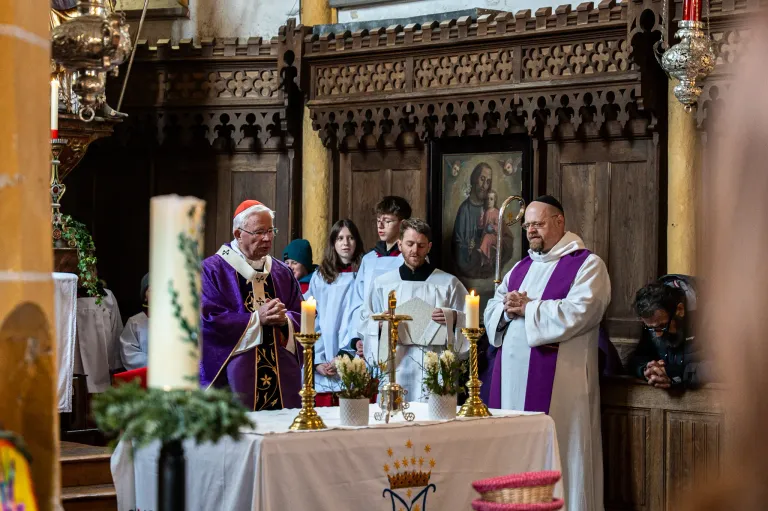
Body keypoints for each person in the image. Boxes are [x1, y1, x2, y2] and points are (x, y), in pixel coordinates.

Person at [483, 195, 611, 511]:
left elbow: (583, 311)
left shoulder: (587, 264)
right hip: (511, 385)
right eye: (527, 225)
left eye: (538, 224)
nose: (531, 231)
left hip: (561, 388)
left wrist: (530, 308)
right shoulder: (520, 268)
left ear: (559, 221)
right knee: (516, 451)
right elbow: (492, 306)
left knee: (561, 450)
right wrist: (506, 310)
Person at [200, 200, 303, 410]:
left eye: (270, 230)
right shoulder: (211, 270)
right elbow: (208, 319)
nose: (267, 238)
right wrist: (257, 319)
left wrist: (286, 321)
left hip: (281, 378)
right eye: (259, 232)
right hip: (234, 380)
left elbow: (301, 314)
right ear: (238, 234)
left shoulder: (282, 273)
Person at [366, 218, 469, 403]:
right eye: (410, 244)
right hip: (396, 363)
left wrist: (453, 317)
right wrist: (380, 323)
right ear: (400, 244)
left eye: (421, 245)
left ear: (429, 246)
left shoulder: (448, 283)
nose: (415, 250)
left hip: (435, 364)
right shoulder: (383, 284)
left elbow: (469, 321)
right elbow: (367, 320)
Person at [343, 196, 411, 358]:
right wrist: (356, 338)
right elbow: (357, 302)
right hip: (369, 337)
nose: (380, 225)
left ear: (402, 224)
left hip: (402, 338)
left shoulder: (410, 258)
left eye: (387, 221)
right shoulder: (369, 260)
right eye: (378, 220)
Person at [307, 219, 365, 406]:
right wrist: (317, 361)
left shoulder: (364, 273)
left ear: (357, 241)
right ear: (333, 243)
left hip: (355, 355)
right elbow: (313, 320)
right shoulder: (320, 277)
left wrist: (345, 355)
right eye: (340, 238)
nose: (345, 243)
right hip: (325, 362)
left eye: (350, 238)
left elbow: (361, 318)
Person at [631, 277, 712, 389]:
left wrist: (680, 373)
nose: (658, 335)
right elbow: (637, 358)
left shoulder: (711, 316)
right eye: (652, 329)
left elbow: (726, 367)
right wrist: (647, 370)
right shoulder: (654, 319)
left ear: (680, 310)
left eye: (662, 326)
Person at [453, 162, 493, 278]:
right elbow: (457, 243)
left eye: (488, 181)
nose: (484, 185)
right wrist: (468, 247)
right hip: (468, 265)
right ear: (475, 179)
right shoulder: (465, 209)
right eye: (482, 179)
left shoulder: (490, 209)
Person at [119, 273, 150, 370]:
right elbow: (129, 353)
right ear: (145, 296)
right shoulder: (135, 322)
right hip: (145, 376)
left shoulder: (175, 321)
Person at [478, 189, 500, 267]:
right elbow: (482, 225)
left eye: (491, 199)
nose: (489, 201)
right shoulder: (486, 212)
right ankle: (484, 261)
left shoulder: (497, 212)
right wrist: (481, 217)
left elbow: (499, 227)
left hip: (495, 236)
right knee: (485, 237)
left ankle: (482, 250)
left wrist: (493, 227)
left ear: (495, 201)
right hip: (486, 234)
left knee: (487, 237)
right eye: (487, 199)